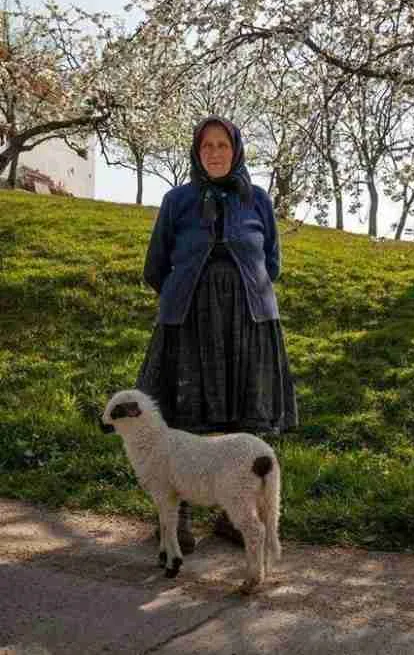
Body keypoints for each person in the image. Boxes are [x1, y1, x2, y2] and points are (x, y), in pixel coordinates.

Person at [137, 116, 297, 552]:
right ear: (196, 151)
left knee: (244, 422)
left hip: (249, 322)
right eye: (206, 145)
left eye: (222, 144)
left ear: (236, 149)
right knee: (179, 419)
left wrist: (237, 296)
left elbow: (273, 264)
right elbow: (155, 267)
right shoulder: (177, 201)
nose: (214, 152)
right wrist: (188, 296)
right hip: (188, 322)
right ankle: (176, 518)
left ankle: (236, 517)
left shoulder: (258, 200)